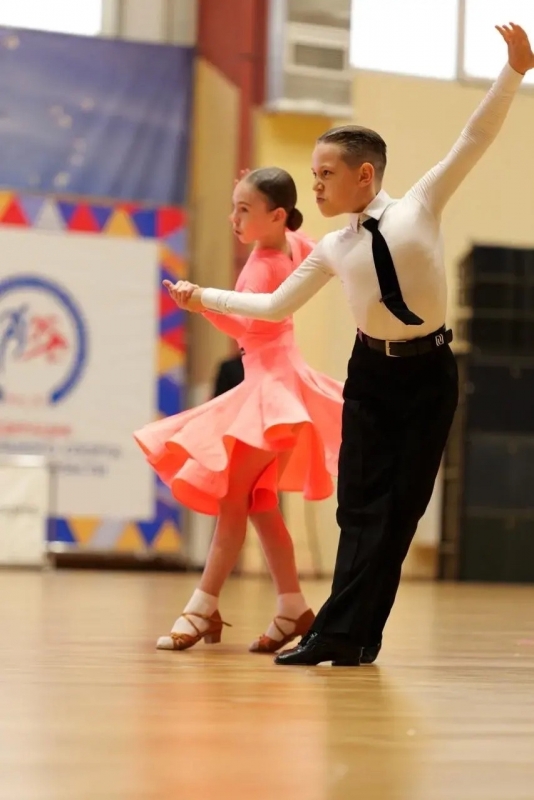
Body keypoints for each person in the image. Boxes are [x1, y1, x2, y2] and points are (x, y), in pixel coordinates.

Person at [166, 24, 534, 666]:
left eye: (326, 174)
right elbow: (275, 306)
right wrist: (205, 298)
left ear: (365, 175)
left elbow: (473, 138)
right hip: (371, 374)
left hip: (430, 373)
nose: (315, 186)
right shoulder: (334, 248)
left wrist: (513, 72)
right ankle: (333, 632)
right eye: (312, 174)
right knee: (358, 509)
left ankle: (360, 636)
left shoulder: (420, 206)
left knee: (400, 512)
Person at [134, 167, 344, 653]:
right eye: (234, 208)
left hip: (271, 387)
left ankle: (202, 605)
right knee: (260, 503)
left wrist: (200, 304)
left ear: (276, 215)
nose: (234, 218)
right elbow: (304, 267)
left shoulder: (263, 264)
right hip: (277, 381)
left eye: (244, 210)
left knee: (234, 500)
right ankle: (292, 607)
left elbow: (247, 328)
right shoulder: (295, 244)